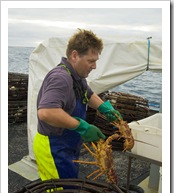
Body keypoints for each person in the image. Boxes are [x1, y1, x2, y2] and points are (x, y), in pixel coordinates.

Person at [33, 29, 122, 181]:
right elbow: (46, 112)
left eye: (96, 61)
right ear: (74, 55)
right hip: (53, 146)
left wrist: (106, 109)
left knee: (70, 188)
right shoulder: (61, 78)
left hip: (68, 144)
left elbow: (88, 93)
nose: (94, 66)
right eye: (91, 61)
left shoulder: (77, 76)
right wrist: (83, 127)